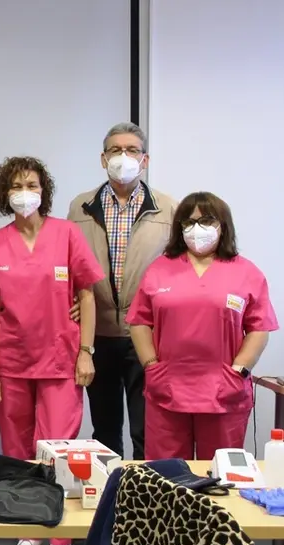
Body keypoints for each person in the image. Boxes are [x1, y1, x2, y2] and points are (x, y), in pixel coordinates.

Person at [0, 157, 103, 545]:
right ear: (5, 194)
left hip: (60, 361)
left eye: (31, 184)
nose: (24, 192)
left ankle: (61, 539)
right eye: (16, 186)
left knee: (59, 450)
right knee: (17, 451)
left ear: (43, 191)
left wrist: (86, 351)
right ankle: (29, 534)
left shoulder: (66, 234)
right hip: (12, 363)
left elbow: (86, 295)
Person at [127, 192, 278, 460]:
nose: (197, 229)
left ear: (223, 226)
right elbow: (139, 321)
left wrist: (239, 370)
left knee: (220, 476)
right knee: (167, 478)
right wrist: (151, 365)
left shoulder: (246, 273)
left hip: (223, 390)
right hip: (168, 389)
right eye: (189, 222)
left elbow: (259, 327)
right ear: (179, 228)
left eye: (206, 221)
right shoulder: (159, 269)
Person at [68, 122, 176, 459]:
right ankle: (108, 503)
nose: (123, 157)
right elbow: (67, 265)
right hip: (97, 334)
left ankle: (144, 503)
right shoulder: (80, 207)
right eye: (115, 150)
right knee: (104, 432)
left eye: (131, 150)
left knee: (147, 429)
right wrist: (72, 301)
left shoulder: (169, 209)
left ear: (145, 160)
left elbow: (178, 270)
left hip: (147, 335)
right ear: (103, 159)